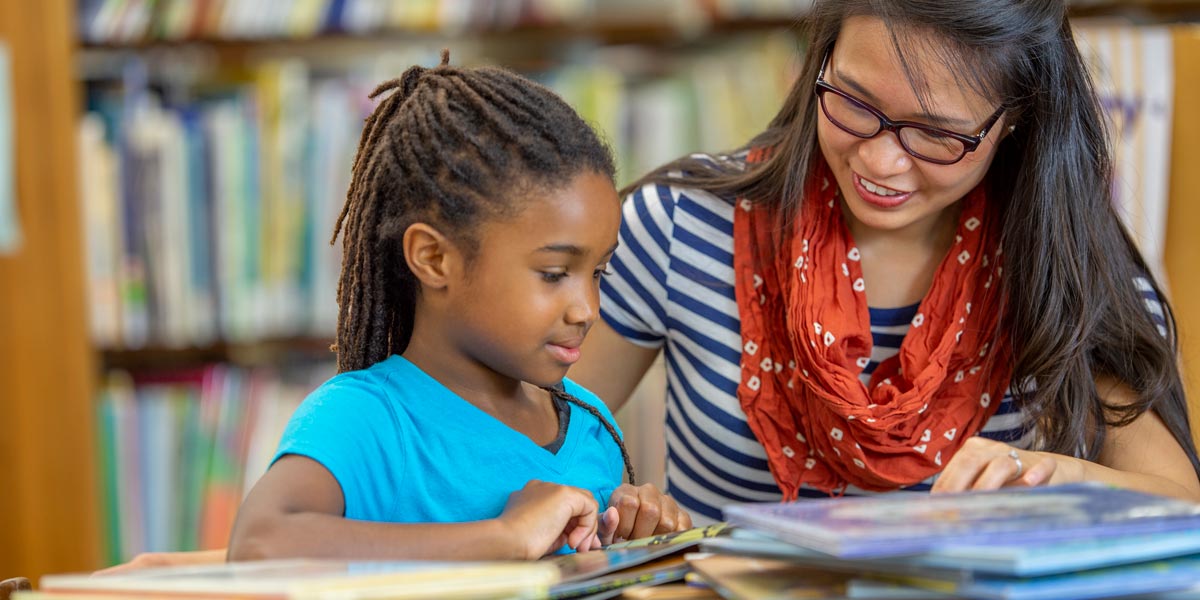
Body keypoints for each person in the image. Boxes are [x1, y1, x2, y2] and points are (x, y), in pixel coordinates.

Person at [573, 0, 1200, 524]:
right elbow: (530, 463)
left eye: (936, 134)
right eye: (852, 101)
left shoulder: (1061, 262)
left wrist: (1063, 479)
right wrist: (609, 513)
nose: (880, 163)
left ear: (1015, 121)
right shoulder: (681, 228)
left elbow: (1182, 506)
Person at [225, 51, 692, 562]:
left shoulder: (592, 424)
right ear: (434, 259)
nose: (587, 309)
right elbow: (258, 546)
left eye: (598, 273)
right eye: (554, 274)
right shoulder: (368, 418)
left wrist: (639, 538)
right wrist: (505, 538)